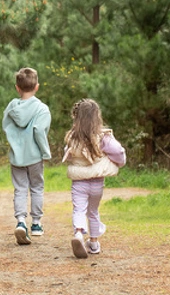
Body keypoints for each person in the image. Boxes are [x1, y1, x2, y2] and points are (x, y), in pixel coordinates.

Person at [62, 99, 126, 259]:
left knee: (79, 209)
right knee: (93, 212)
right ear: (97, 118)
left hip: (79, 183)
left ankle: (78, 234)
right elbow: (118, 151)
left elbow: (67, 153)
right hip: (97, 183)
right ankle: (94, 242)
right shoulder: (103, 138)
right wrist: (118, 162)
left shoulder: (72, 137)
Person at [2, 67, 52, 245]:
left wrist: (15, 144)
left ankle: (21, 222)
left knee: (20, 189)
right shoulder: (42, 109)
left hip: (17, 156)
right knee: (37, 187)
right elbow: (39, 131)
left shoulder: (11, 107)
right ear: (37, 87)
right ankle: (36, 224)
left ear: (17, 87)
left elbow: (6, 126)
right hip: (35, 156)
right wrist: (45, 152)